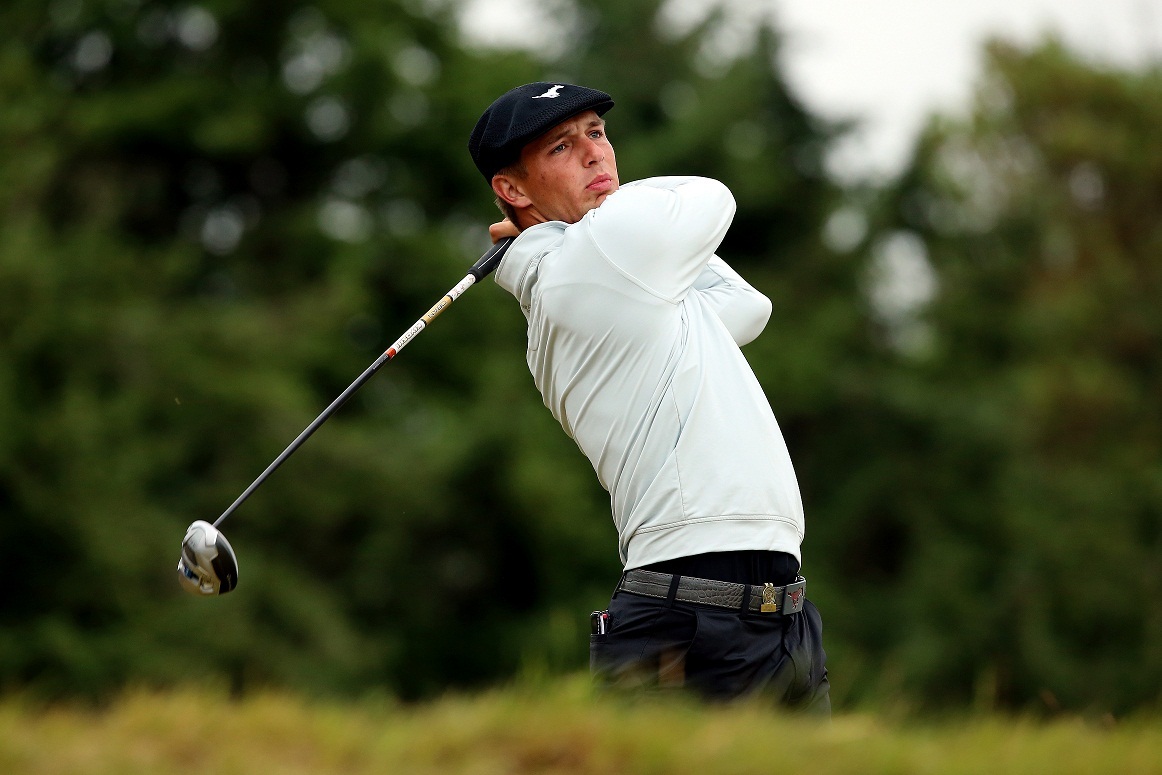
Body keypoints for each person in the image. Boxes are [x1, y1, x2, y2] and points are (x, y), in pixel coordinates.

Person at [468, 82, 830, 713]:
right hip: (690, 618)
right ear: (514, 189)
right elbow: (711, 197)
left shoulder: (607, 267)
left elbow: (746, 307)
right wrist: (604, 208)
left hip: (777, 621)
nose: (594, 155)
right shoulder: (589, 263)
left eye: (597, 134)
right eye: (562, 145)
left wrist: (574, 216)